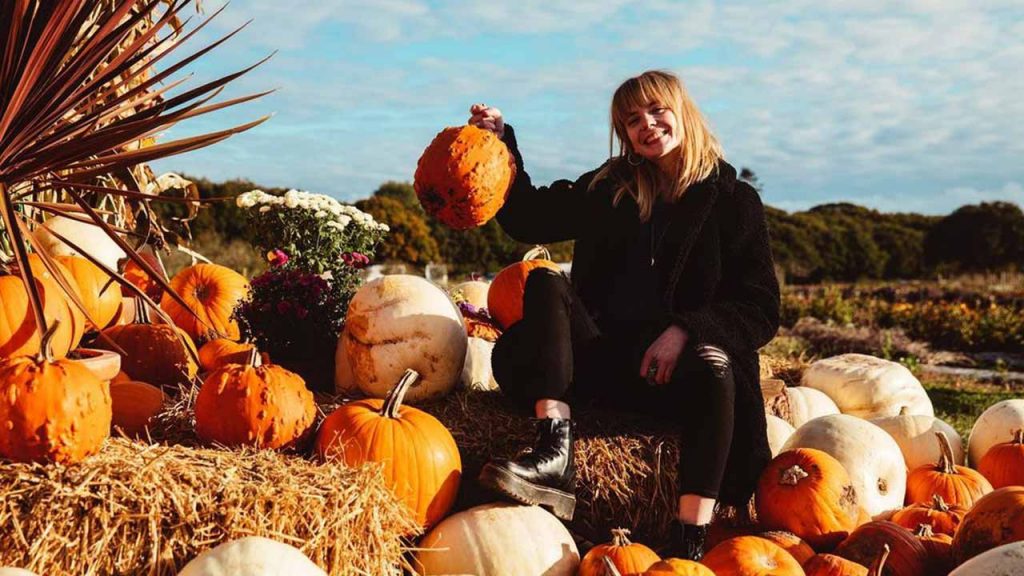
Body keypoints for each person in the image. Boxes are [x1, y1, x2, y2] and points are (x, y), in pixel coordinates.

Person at [467, 70, 781, 560]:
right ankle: (555, 452)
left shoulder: (734, 203)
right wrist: (501, 144)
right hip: (609, 364)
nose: (647, 125)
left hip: (686, 380)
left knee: (718, 364)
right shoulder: (611, 187)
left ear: (683, 112)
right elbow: (529, 216)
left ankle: (690, 542)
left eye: (657, 111)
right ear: (623, 132)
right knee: (546, 278)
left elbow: (760, 307)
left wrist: (687, 329)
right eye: (632, 119)